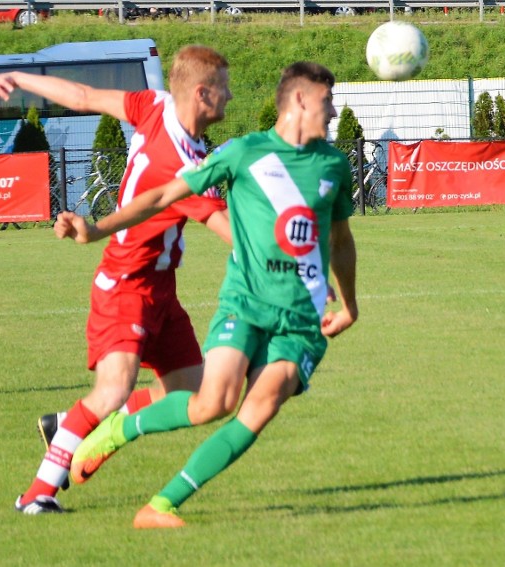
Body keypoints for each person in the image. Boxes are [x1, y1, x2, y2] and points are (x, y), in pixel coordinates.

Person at [64, 61, 359, 529]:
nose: (335, 110)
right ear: (301, 100)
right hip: (245, 303)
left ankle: (160, 506)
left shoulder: (334, 164)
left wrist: (350, 304)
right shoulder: (244, 153)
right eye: (329, 101)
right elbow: (162, 197)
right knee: (212, 404)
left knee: (259, 408)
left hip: (301, 320)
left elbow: (340, 241)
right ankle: (120, 428)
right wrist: (95, 229)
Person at [0, 44, 234, 514]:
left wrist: (17, 74)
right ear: (202, 93)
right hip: (126, 283)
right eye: (225, 88)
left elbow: (81, 95)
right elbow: (233, 235)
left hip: (161, 290)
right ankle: (38, 494)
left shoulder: (156, 107)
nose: (231, 97)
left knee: (194, 392)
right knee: (114, 389)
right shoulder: (183, 165)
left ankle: (81, 427)